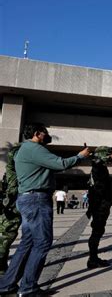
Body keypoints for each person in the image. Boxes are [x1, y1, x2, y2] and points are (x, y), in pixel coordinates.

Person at [0, 123, 89, 296]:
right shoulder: (34, 149)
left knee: (27, 242)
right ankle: (28, 288)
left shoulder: (23, 149)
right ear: (37, 134)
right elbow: (60, 163)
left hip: (27, 198)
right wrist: (80, 156)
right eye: (45, 133)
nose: (47, 136)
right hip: (36, 199)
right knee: (42, 242)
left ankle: (7, 284)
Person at [86, 146, 112, 269]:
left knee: (98, 231)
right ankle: (92, 259)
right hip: (99, 204)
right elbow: (98, 161)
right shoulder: (98, 165)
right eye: (108, 155)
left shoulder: (100, 167)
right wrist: (110, 156)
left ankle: (93, 258)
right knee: (97, 231)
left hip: (101, 203)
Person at [0, 144, 22, 275]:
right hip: (13, 202)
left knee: (7, 234)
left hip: (11, 201)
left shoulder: (10, 168)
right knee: (7, 234)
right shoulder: (20, 152)